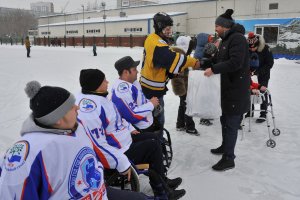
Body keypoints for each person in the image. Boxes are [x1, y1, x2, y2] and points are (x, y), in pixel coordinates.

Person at [0, 81, 154, 200]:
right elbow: (12, 191)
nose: (77, 108)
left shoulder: (77, 128)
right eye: (70, 106)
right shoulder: (30, 152)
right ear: (58, 118)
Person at [76, 69, 186, 199]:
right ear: (96, 84)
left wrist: (129, 128)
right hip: (118, 151)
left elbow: (117, 117)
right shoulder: (90, 110)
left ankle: (163, 181)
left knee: (154, 138)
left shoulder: (99, 97)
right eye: (104, 80)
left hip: (123, 141)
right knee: (153, 146)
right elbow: (98, 145)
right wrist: (121, 162)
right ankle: (163, 192)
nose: (107, 82)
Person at [203, 9, 250, 171]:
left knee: (231, 124)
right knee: (225, 121)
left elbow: (235, 63)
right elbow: (220, 59)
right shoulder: (226, 40)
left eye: (217, 26)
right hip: (227, 90)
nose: (215, 29)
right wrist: (206, 63)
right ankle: (225, 147)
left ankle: (229, 158)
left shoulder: (237, 39)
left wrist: (214, 69)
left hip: (236, 91)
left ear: (225, 26)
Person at [140, 12, 200, 129]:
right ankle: (157, 143)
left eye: (170, 28)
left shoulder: (155, 39)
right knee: (156, 121)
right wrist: (193, 62)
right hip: (152, 92)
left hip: (153, 89)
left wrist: (170, 73)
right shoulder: (156, 41)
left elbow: (160, 64)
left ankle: (157, 141)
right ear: (158, 27)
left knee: (156, 119)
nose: (169, 31)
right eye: (167, 28)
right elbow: (171, 59)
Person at [170, 36, 199, 135]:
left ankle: (180, 124)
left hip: (185, 85)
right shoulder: (179, 56)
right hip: (183, 87)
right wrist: (181, 90)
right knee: (187, 105)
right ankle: (190, 127)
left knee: (183, 105)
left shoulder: (182, 54)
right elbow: (177, 75)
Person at [247, 32, 274, 123]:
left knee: (262, 92)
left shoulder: (266, 49)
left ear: (258, 45)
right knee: (249, 90)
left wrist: (257, 72)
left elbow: (270, 63)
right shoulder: (249, 48)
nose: (252, 49)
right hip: (250, 73)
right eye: (250, 48)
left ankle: (263, 113)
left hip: (263, 74)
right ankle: (250, 111)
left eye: (254, 47)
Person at [194, 33, 215, 126]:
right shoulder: (201, 50)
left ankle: (206, 115)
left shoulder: (202, 48)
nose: (211, 40)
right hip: (203, 75)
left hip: (205, 74)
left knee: (207, 96)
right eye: (209, 38)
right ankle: (203, 118)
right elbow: (203, 62)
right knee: (205, 97)